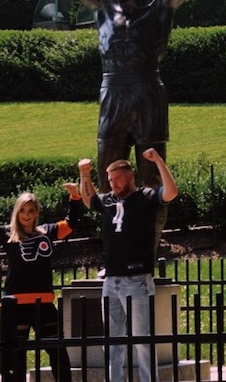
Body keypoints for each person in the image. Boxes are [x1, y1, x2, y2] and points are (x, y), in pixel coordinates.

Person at [23, 0, 198, 194]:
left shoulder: (159, 4)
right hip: (113, 92)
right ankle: (113, 235)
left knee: (152, 178)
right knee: (108, 177)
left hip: (147, 92)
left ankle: (150, 238)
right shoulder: (103, 5)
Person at [77, 149, 179, 382]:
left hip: (137, 279)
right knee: (112, 342)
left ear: (130, 176)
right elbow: (90, 200)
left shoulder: (145, 197)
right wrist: (85, 176)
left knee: (143, 340)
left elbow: (171, 192)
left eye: (117, 179)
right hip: (111, 280)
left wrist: (158, 162)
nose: (113, 184)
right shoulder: (109, 200)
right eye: (110, 180)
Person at [0, 181, 82, 382]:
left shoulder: (47, 232)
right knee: (15, 356)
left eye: (31, 210)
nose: (26, 214)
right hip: (15, 304)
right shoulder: (6, 233)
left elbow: (71, 223)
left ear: (37, 212)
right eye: (22, 210)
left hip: (44, 303)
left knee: (58, 352)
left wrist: (75, 196)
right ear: (17, 212)